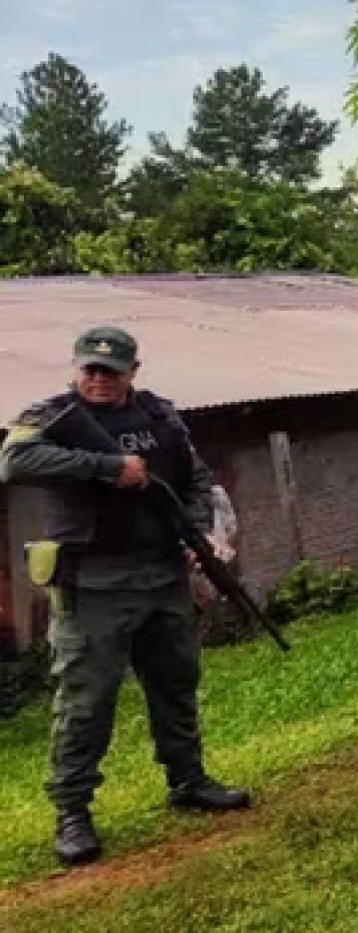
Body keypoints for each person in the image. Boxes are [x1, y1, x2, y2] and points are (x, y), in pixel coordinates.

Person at [0, 326, 250, 868]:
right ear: (76, 369)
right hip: (93, 586)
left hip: (162, 577)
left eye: (111, 371)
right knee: (86, 702)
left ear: (133, 371)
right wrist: (108, 468)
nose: (99, 379)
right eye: (90, 369)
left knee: (176, 684)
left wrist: (197, 533)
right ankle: (72, 813)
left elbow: (195, 479)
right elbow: (13, 462)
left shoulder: (160, 416)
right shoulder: (51, 416)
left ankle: (188, 780)